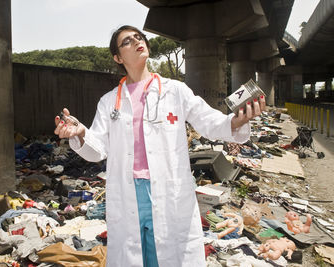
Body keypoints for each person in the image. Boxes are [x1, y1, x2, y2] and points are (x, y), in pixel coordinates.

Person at [54, 25, 265, 267]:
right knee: (133, 256)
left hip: (168, 190)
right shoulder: (110, 101)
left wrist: (236, 121)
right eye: (126, 42)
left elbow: (209, 122)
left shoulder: (175, 91)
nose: (136, 41)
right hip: (127, 192)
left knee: (166, 257)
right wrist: (80, 133)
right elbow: (99, 148)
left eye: (139, 37)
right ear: (118, 57)